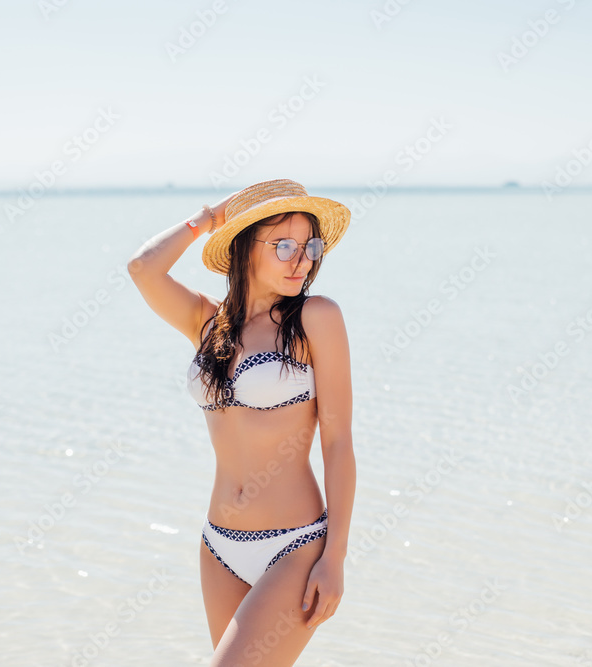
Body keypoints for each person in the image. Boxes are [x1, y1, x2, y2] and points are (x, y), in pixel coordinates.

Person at [127, 179, 356, 665]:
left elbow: (337, 443)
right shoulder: (207, 325)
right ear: (244, 246)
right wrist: (209, 219)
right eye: (285, 245)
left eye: (311, 246)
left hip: (295, 546)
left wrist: (334, 557)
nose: (302, 260)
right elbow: (143, 268)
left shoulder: (315, 319)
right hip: (218, 547)